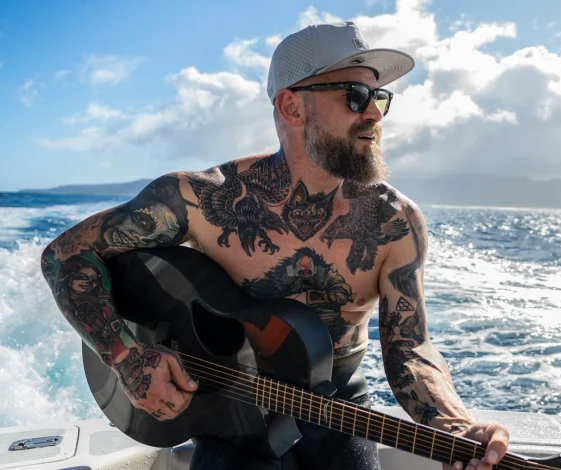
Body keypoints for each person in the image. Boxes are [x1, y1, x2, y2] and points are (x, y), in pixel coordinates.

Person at [40, 21, 509, 470]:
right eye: (355, 96)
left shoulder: (394, 222)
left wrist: (453, 424)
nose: (373, 114)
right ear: (291, 106)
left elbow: (409, 346)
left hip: (339, 409)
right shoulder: (203, 198)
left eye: (379, 98)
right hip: (227, 410)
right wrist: (127, 357)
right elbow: (66, 255)